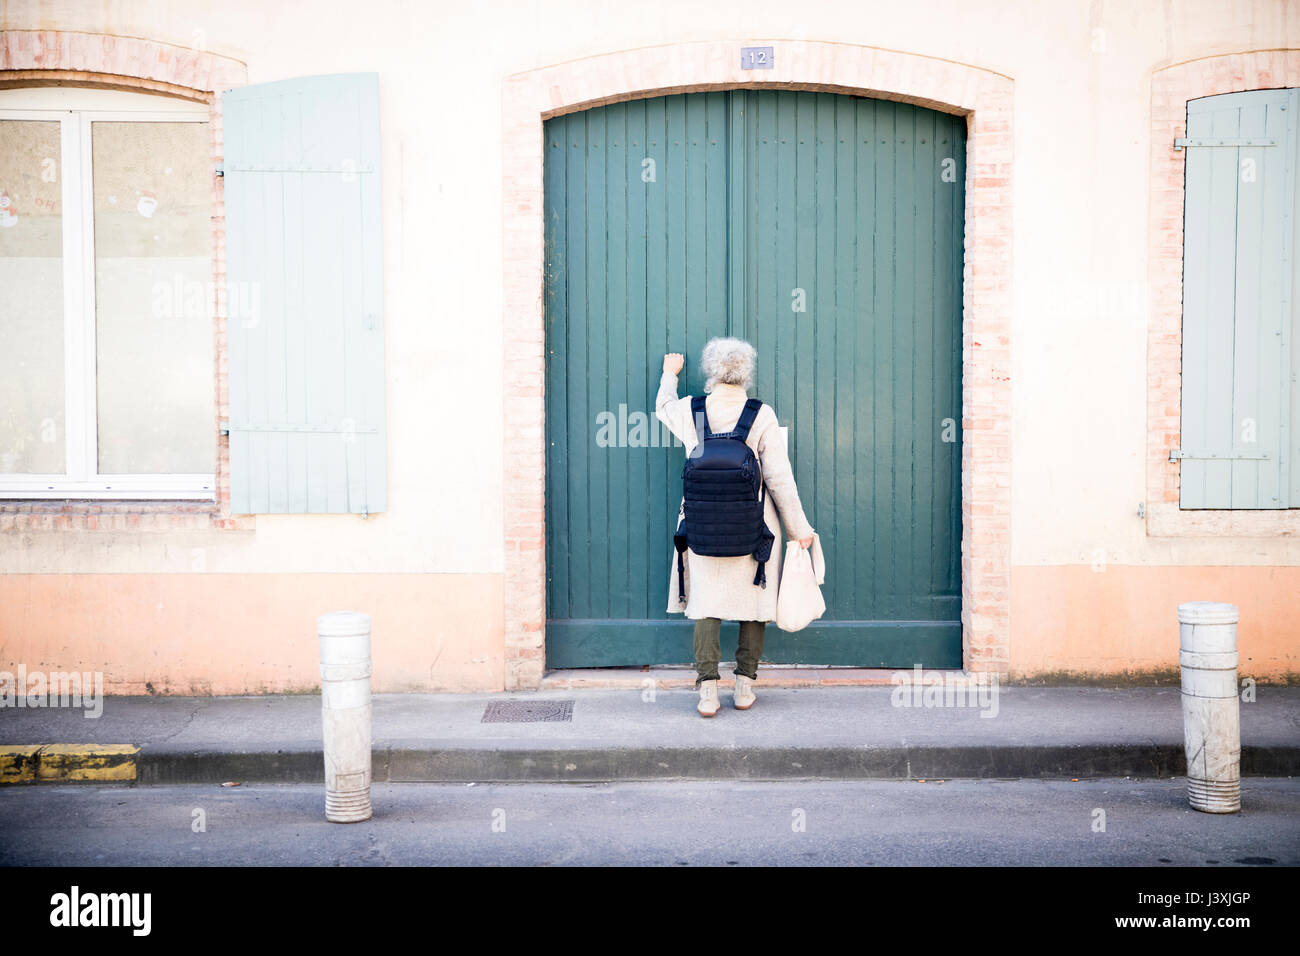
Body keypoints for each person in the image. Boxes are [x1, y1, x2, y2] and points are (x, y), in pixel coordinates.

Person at [655, 337, 815, 717]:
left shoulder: (691, 410)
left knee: (706, 605)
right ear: (746, 373)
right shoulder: (760, 414)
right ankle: (744, 688)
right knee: (754, 607)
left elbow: (662, 408)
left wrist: (669, 374)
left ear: (711, 372)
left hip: (702, 525)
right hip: (753, 527)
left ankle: (707, 693)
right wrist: (799, 528)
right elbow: (779, 479)